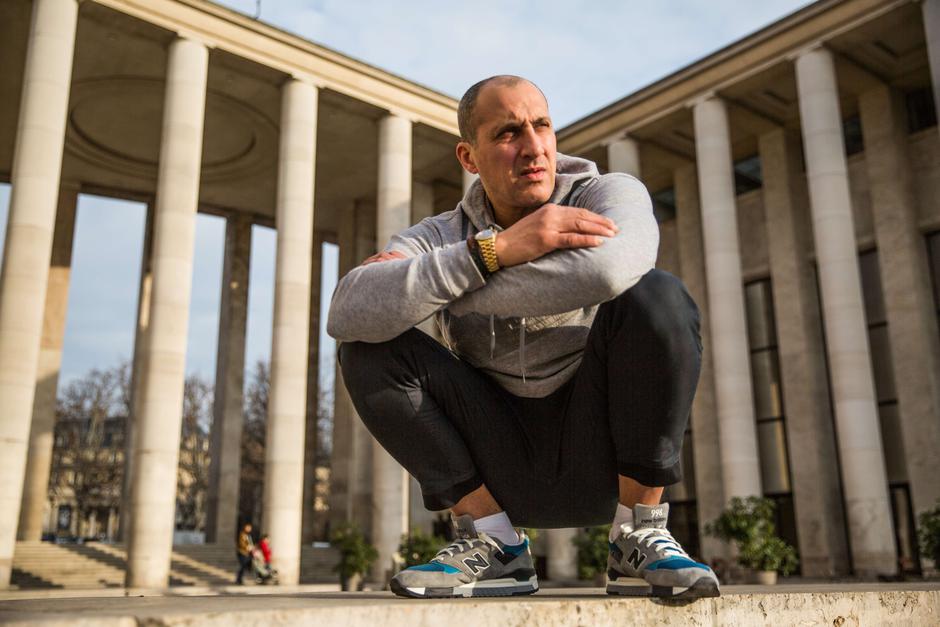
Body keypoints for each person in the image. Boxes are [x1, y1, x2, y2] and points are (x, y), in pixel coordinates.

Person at [327, 75, 719, 600]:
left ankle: (636, 533)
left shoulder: (608, 193)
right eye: (509, 133)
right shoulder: (439, 234)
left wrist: (439, 288)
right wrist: (495, 250)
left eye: (542, 126)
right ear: (469, 157)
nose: (534, 147)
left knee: (657, 297)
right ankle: (496, 547)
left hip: (603, 449)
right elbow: (349, 309)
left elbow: (608, 273)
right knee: (368, 347)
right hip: (495, 462)